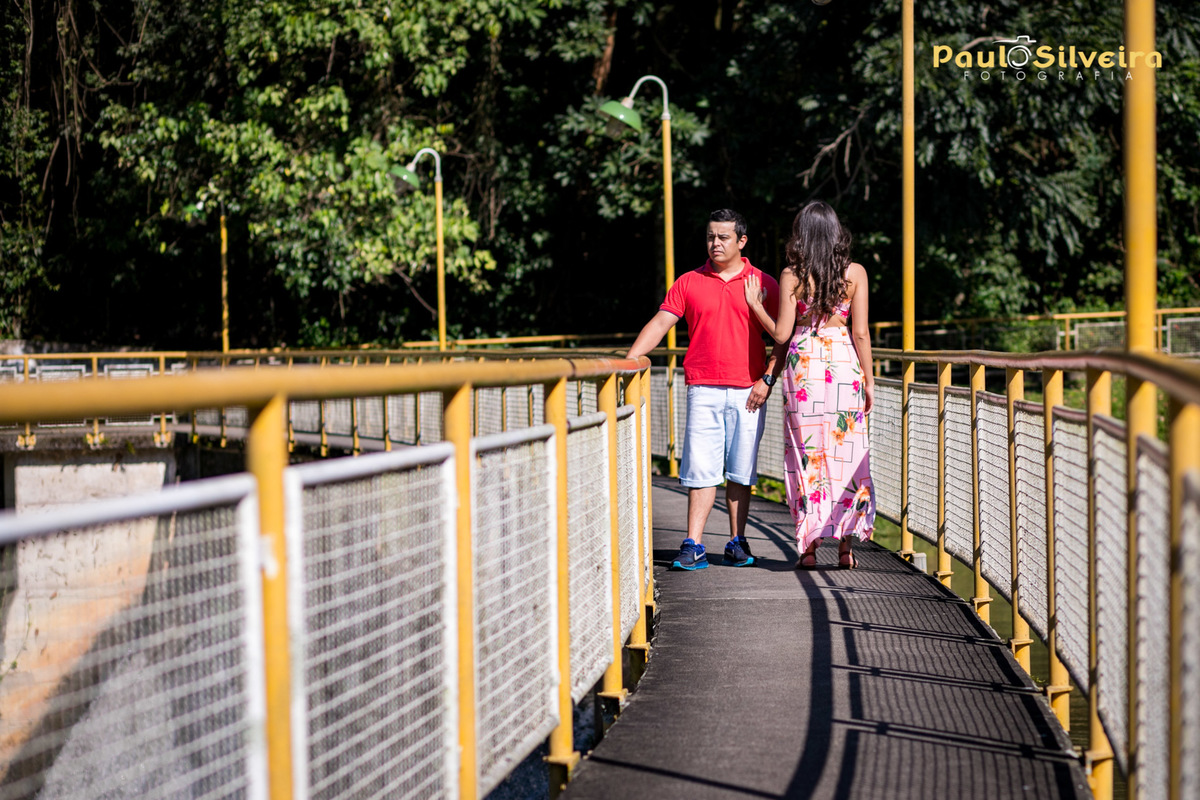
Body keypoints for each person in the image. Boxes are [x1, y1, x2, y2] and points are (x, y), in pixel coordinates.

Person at [626, 209, 785, 570]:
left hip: (749, 390)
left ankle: (737, 542)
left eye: (723, 237)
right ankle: (693, 544)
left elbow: (782, 338)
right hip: (703, 387)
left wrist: (768, 380)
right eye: (711, 236)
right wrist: (629, 360)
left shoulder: (764, 282)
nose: (715, 243)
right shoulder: (689, 282)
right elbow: (661, 321)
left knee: (741, 471)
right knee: (700, 470)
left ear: (741, 241)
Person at [744, 200, 876, 569]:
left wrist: (756, 305)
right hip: (844, 367)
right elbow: (861, 333)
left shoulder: (792, 275)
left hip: (803, 371)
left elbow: (782, 334)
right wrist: (869, 380)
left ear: (801, 234)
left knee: (806, 455)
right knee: (847, 452)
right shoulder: (855, 274)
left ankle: (809, 546)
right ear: (836, 232)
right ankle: (846, 546)